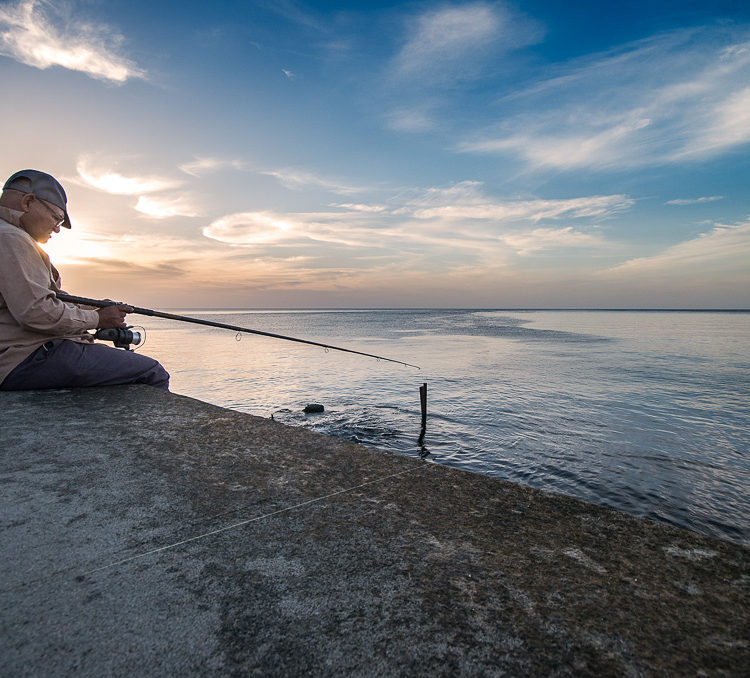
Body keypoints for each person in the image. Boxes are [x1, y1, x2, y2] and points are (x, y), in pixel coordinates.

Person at [0, 169, 169, 390]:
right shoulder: (11, 238)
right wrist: (98, 320)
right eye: (56, 218)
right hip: (25, 358)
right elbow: (36, 311)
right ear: (28, 202)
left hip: (21, 357)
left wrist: (93, 306)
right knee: (152, 372)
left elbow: (45, 298)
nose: (57, 229)